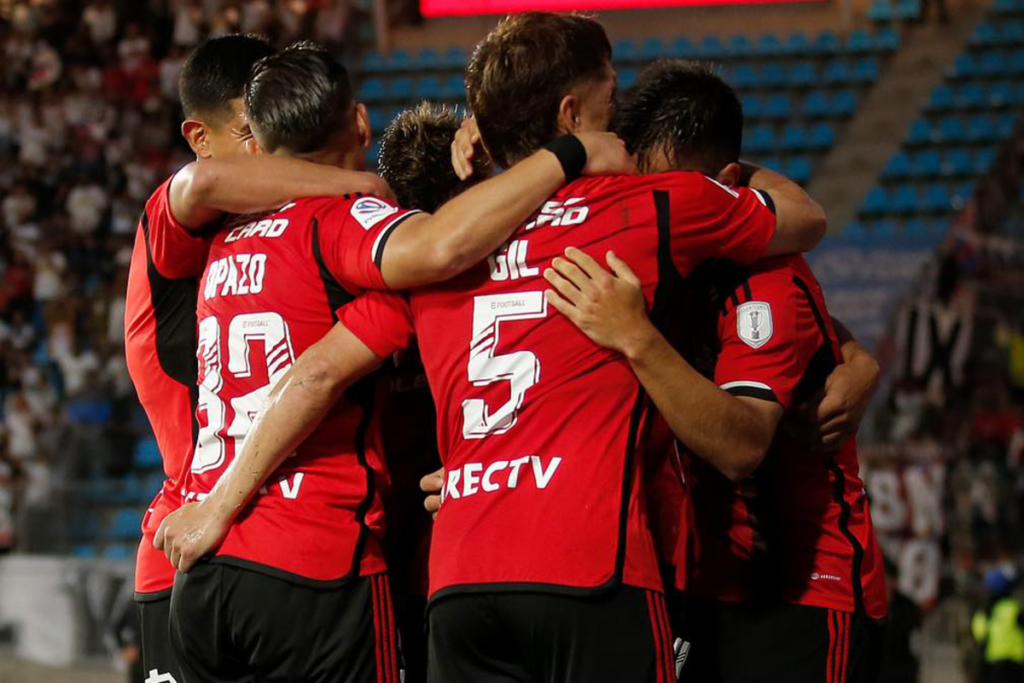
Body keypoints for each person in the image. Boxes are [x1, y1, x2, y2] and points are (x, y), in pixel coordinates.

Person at [158, 13, 825, 683]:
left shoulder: (412, 258)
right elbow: (804, 218)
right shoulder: (646, 206)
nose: (616, 112)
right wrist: (726, 167)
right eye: (609, 92)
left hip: (453, 569)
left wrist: (218, 503)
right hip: (572, 561)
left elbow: (218, 210)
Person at [155, 42, 635, 683]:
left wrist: (215, 507)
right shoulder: (354, 222)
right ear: (359, 123)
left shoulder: (221, 237)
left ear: (260, 144)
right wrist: (568, 152)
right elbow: (430, 255)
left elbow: (203, 183)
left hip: (205, 576)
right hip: (314, 558)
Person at [542, 60, 888, 683]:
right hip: (689, 580)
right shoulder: (646, 263)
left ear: (728, 185)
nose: (665, 213)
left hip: (799, 595)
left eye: (683, 193)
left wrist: (638, 340)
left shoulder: (768, 281)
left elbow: (741, 445)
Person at [124, 33, 388, 683]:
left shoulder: (261, 231)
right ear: (198, 135)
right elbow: (204, 182)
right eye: (248, 129)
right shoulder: (180, 222)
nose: (263, 150)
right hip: (206, 533)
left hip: (222, 543)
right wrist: (362, 183)